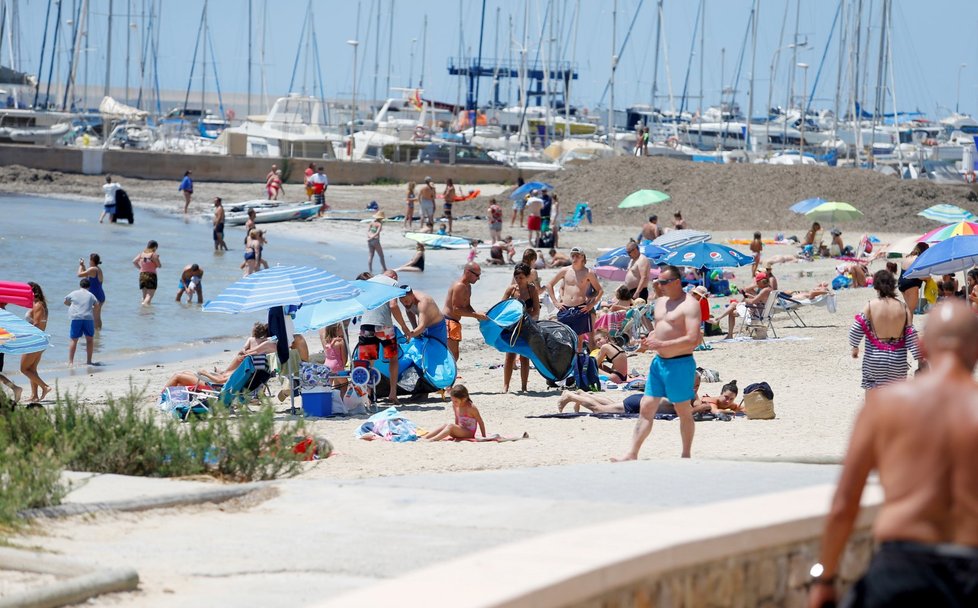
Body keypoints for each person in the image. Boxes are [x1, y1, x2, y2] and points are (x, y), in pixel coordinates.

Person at [808, 301, 978, 608]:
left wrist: (825, 578)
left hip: (901, 570)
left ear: (923, 347)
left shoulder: (886, 405)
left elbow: (844, 505)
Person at [613, 265, 701, 461]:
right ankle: (632, 453)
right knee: (647, 407)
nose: (659, 285)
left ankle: (686, 455)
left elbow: (693, 339)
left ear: (677, 282)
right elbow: (660, 328)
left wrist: (662, 343)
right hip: (658, 363)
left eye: (663, 282)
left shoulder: (690, 305)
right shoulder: (660, 302)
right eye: (657, 281)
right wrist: (648, 341)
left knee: (683, 410)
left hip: (680, 364)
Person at [849, 269, 921, 393]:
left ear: (876, 287)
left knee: (872, 390)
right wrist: (920, 359)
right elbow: (911, 336)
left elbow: (856, 329)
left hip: (874, 359)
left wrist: (855, 347)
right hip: (897, 359)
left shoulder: (871, 305)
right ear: (893, 286)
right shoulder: (903, 307)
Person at [359, 271, 410, 404]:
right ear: (394, 277)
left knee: (368, 361)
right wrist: (404, 326)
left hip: (366, 325)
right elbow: (393, 305)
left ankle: (368, 395)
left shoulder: (368, 283)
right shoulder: (392, 283)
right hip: (384, 327)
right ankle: (392, 393)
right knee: (393, 358)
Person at [547, 247, 604, 350]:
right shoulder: (565, 270)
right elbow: (549, 285)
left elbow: (600, 290)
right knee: (564, 337)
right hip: (565, 308)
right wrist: (555, 302)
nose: (574, 257)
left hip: (580, 308)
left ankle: (577, 361)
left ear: (582, 257)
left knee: (579, 339)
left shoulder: (588, 273)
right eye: (572, 255)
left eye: (577, 255)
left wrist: (591, 304)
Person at [501, 263, 540, 393]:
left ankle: (524, 386)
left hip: (526, 326)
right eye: (516, 277)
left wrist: (526, 316)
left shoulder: (532, 290)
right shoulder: (511, 290)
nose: (518, 280)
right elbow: (501, 307)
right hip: (512, 326)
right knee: (509, 356)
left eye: (521, 277)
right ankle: (505, 386)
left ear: (527, 277)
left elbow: (536, 310)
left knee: (524, 356)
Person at [442, 263, 488, 360]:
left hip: (454, 322)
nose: (478, 278)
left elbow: (466, 306)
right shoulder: (460, 286)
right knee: (451, 354)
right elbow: (456, 310)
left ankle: (451, 374)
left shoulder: (468, 286)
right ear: (468, 272)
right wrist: (476, 315)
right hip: (448, 321)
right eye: (477, 275)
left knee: (455, 353)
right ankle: (449, 375)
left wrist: (478, 316)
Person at [713, 274, 773, 339]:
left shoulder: (764, 291)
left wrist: (746, 299)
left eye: (757, 282)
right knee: (733, 306)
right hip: (761, 310)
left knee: (732, 308)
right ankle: (719, 320)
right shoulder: (769, 289)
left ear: (761, 282)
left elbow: (752, 301)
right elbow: (759, 300)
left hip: (756, 313)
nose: (757, 285)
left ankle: (723, 326)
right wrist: (750, 296)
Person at [20, 283, 50, 402]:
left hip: (34, 339)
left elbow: (37, 324)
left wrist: (21, 331)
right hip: (40, 339)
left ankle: (45, 387)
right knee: (32, 369)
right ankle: (34, 396)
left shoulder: (38, 305)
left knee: (24, 369)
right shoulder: (41, 305)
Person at [64, 278, 98, 367]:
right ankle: (89, 361)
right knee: (89, 340)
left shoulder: (74, 293)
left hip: (76, 318)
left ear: (80, 285)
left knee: (74, 340)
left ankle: (71, 362)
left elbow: (65, 301)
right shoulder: (91, 295)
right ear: (89, 287)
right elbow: (96, 305)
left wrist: (71, 305)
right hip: (88, 318)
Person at [899, 242, 929, 319]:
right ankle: (909, 329)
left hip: (901, 284)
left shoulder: (907, 257)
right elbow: (919, 276)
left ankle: (905, 327)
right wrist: (928, 278)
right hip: (911, 285)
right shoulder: (918, 259)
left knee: (908, 308)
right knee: (911, 310)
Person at [77, 253, 105, 330]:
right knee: (97, 316)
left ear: (92, 260)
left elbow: (79, 274)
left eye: (89, 259)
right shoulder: (97, 269)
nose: (89, 261)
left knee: (93, 317)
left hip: (95, 296)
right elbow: (87, 276)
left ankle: (95, 334)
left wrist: (80, 265)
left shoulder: (93, 269)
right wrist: (83, 266)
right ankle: (98, 334)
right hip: (100, 295)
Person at [132, 240, 161, 306]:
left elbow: (134, 261)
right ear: (155, 247)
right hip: (151, 276)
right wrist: (157, 259)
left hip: (142, 275)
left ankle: (144, 312)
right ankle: (145, 309)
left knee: (144, 296)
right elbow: (159, 266)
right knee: (149, 296)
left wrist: (141, 268)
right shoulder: (153, 255)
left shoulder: (141, 254)